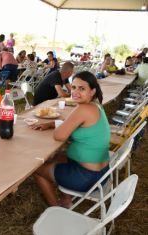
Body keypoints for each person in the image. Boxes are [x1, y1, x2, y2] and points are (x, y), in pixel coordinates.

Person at [31, 71, 110, 207]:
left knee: (37, 169)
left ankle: (56, 209)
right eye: (73, 87)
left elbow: (59, 135)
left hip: (87, 178)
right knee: (55, 156)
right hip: (102, 173)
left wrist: (58, 126)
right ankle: (66, 199)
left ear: (92, 91)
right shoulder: (96, 106)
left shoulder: (83, 109)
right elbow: (75, 126)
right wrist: (52, 123)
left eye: (82, 88)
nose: (75, 92)